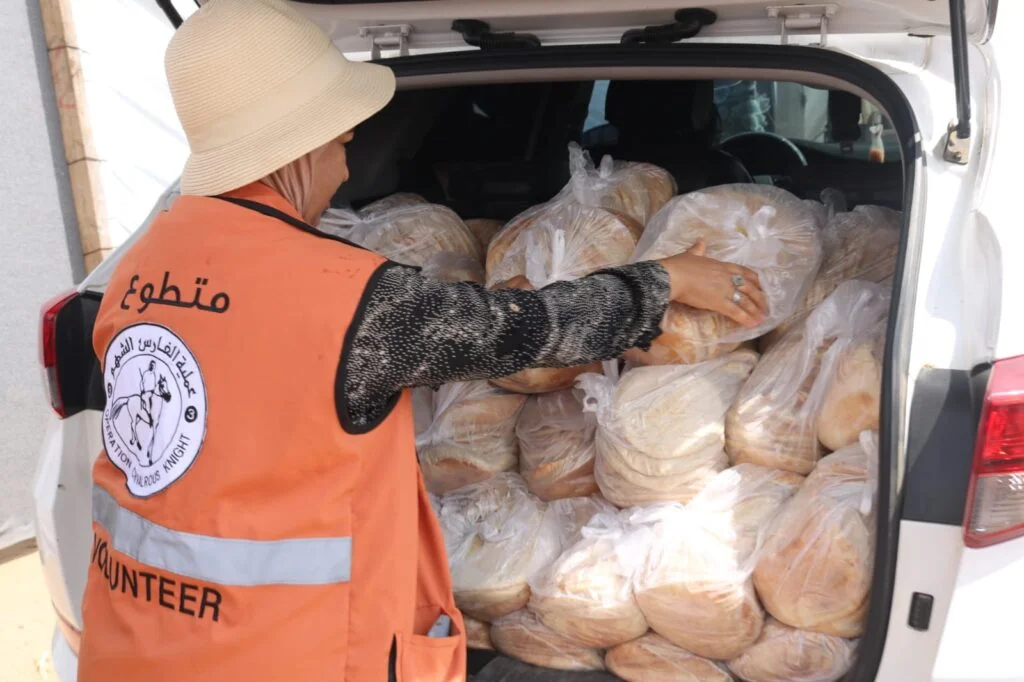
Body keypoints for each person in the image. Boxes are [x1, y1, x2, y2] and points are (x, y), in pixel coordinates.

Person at [77, 1, 768, 681]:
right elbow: (524, 332)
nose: (344, 172)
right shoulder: (340, 294)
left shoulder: (141, 264)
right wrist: (665, 280)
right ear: (299, 148)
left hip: (134, 644)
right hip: (286, 654)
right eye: (342, 145)